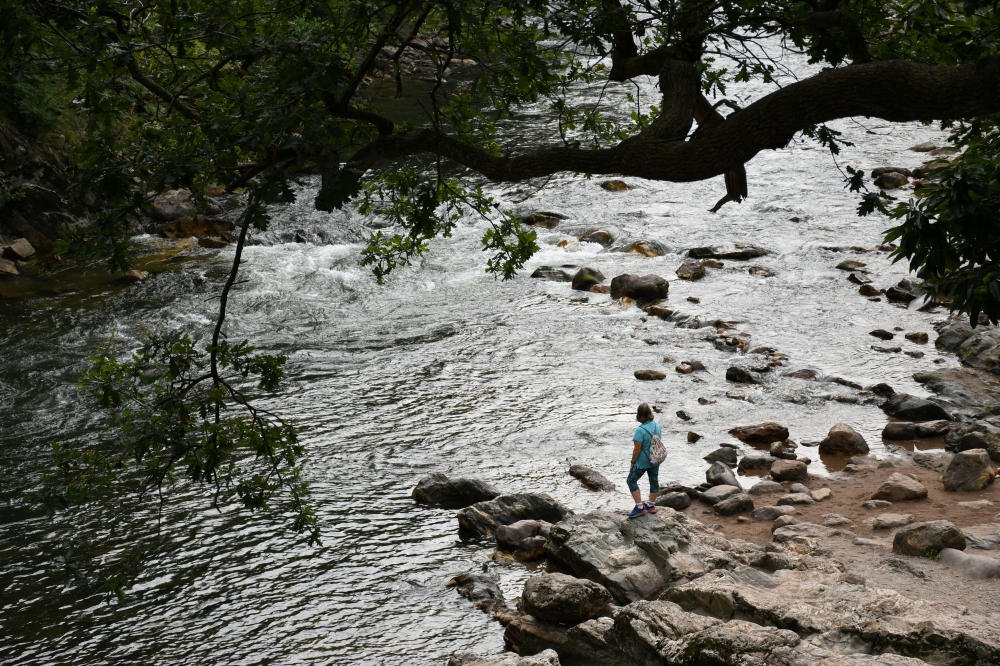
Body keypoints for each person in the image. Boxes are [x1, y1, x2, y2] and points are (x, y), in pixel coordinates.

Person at [626, 403, 661, 518]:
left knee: (631, 480)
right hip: (655, 459)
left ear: (639, 415)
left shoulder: (640, 430)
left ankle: (639, 507)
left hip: (643, 462)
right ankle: (651, 505)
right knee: (653, 480)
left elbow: (637, 450)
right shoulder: (657, 425)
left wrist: (632, 463)